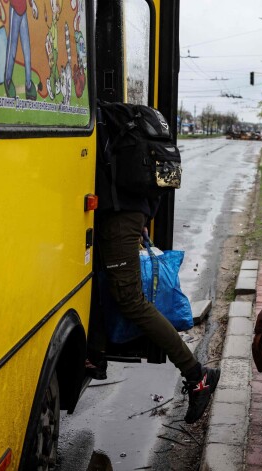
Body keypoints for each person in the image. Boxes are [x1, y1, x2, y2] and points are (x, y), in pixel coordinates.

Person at [87, 105, 220, 425]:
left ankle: (197, 376)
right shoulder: (121, 124)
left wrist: (131, 217)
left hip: (120, 220)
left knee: (131, 300)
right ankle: (94, 356)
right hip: (127, 215)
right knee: (103, 284)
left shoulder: (101, 118)